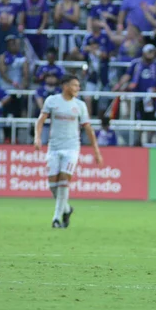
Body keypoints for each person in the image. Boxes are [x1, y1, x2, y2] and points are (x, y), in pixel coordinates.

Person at [34, 75, 104, 229]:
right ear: (65, 86)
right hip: (54, 147)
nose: (78, 88)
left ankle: (56, 218)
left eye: (78, 86)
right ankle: (66, 209)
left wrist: (96, 151)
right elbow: (40, 120)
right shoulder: (52, 101)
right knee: (53, 184)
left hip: (72, 148)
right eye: (75, 85)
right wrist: (37, 138)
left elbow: (88, 129)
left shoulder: (80, 105)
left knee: (64, 180)